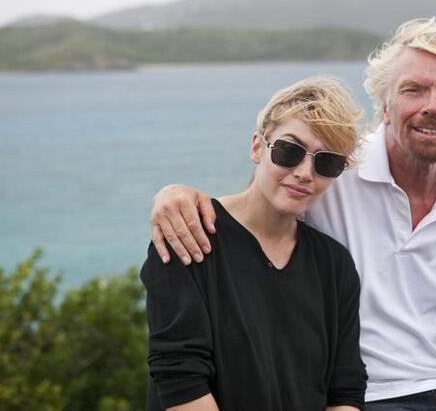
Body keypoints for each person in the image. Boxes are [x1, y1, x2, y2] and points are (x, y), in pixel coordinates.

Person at [149, 19, 436, 410]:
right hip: (367, 397)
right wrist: (177, 194)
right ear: (384, 107)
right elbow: (265, 195)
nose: (432, 106)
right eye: (413, 89)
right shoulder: (334, 168)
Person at [141, 77, 368, 411]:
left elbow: (344, 389)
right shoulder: (189, 235)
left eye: (326, 162)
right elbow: (180, 378)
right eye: (290, 151)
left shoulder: (333, 265)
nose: (305, 172)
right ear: (257, 147)